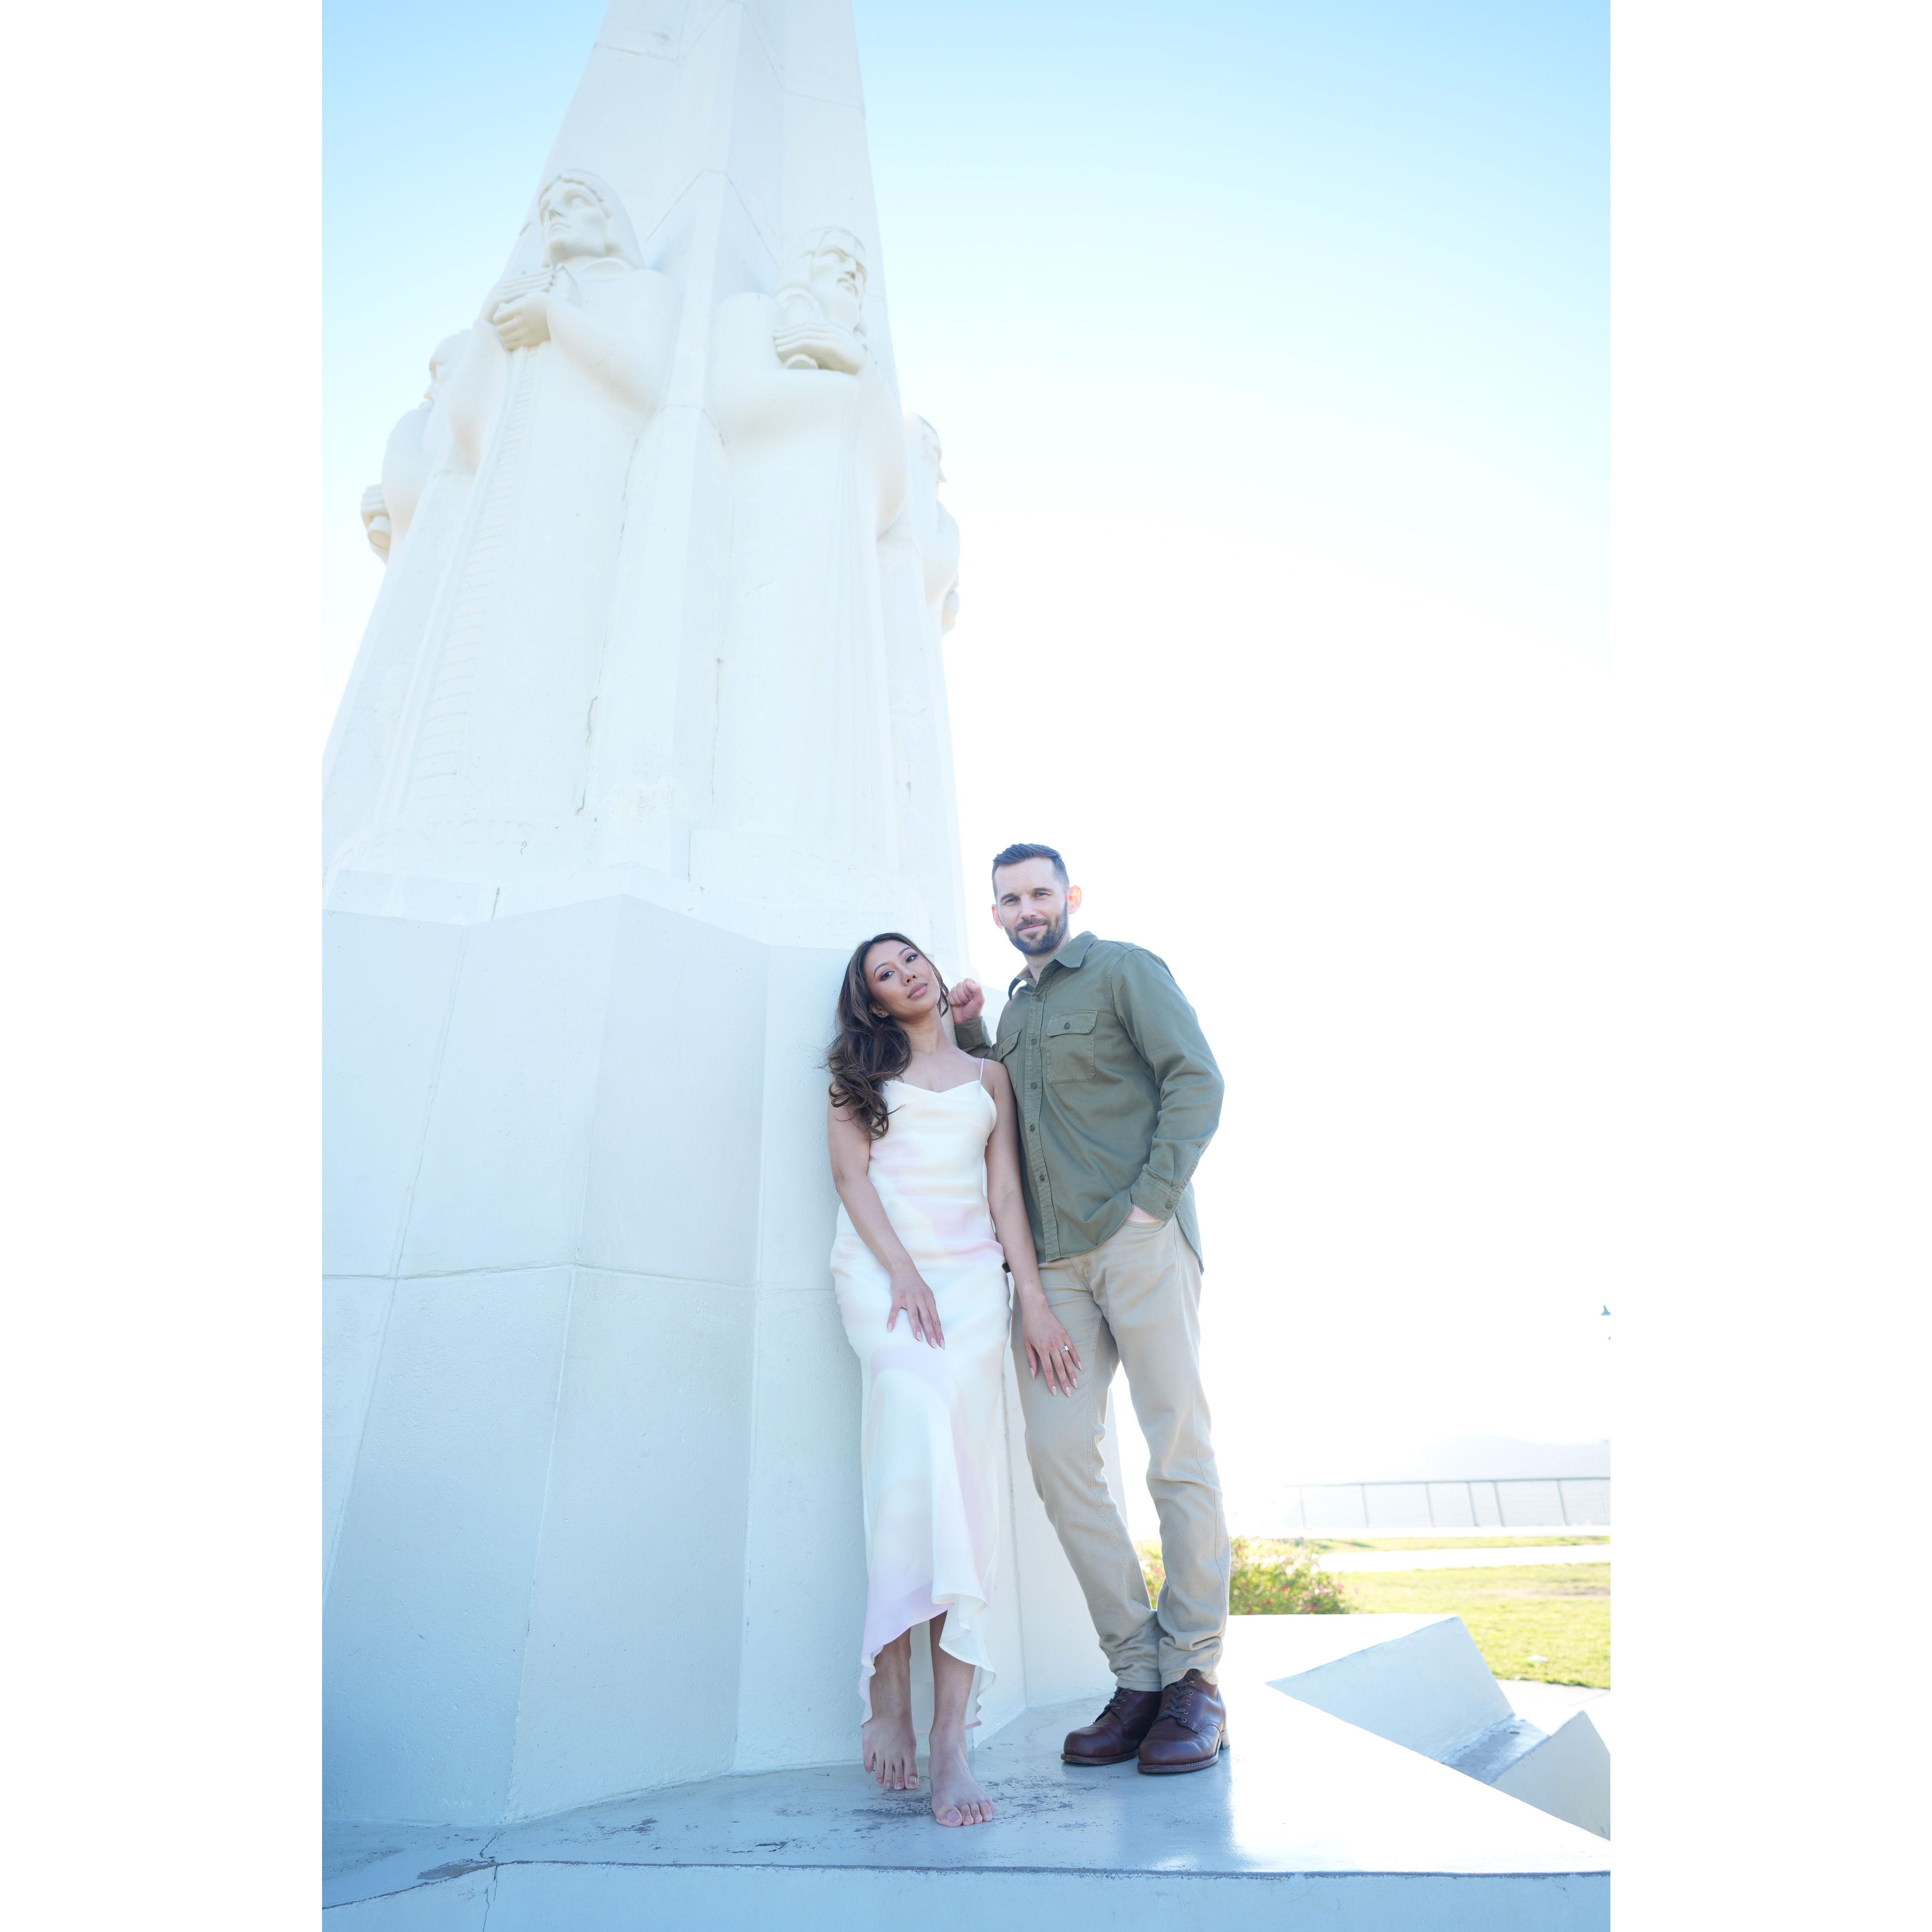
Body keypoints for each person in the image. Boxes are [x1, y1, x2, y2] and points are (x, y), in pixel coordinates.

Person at [949, 844, 1231, 1775]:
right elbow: (1009, 1108)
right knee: (1060, 1456)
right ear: (997, 912)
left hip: (1139, 1239)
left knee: (1176, 1447)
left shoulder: (1124, 970)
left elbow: (1197, 1079)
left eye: (1040, 892)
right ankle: (1139, 1675)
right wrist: (973, 1029)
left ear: (1069, 896)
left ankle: (1194, 1678)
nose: (1026, 909)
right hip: (1053, 1267)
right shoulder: (1017, 1011)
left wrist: (1152, 1204)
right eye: (1010, 899)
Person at [827, 933, 1082, 1827]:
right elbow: (851, 1178)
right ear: (874, 1001)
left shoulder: (988, 1076)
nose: (907, 975)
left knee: (962, 1485)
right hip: (884, 1275)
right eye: (885, 975)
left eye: (911, 960)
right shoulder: (856, 1076)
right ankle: (889, 1678)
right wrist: (902, 1272)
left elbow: (1005, 1194)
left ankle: (950, 1738)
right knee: (908, 1449)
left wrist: (1033, 1302)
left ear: (933, 970)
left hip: (973, 1285)